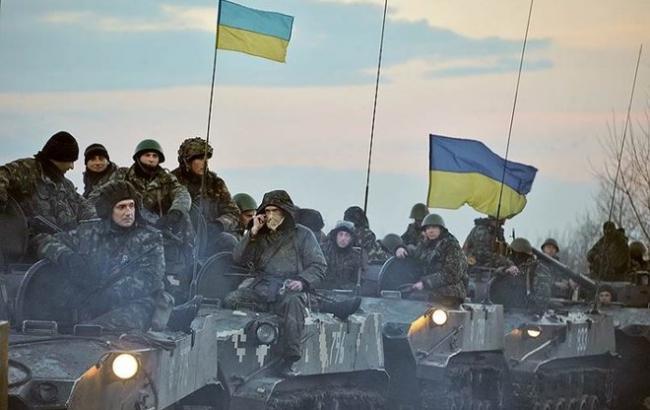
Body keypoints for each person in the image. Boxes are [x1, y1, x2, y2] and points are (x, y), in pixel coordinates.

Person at [36, 181, 172, 331]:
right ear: (108, 210)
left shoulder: (150, 238)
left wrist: (105, 297)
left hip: (134, 304)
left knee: (94, 331)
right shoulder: (90, 231)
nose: (128, 212)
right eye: (121, 207)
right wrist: (68, 258)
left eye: (131, 206)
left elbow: (149, 279)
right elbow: (44, 240)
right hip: (89, 302)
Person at [223, 190, 327, 377]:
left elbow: (319, 266)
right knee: (232, 299)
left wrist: (302, 281)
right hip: (262, 287)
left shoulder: (303, 235)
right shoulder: (259, 235)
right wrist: (252, 233)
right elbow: (238, 258)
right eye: (267, 211)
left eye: (275, 211)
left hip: (289, 287)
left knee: (293, 304)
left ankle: (289, 358)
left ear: (286, 212)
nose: (271, 215)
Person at [0, 131, 95, 256]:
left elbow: (85, 207)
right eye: (70, 161)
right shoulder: (27, 170)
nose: (72, 167)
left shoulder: (66, 185)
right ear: (58, 158)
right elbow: (2, 175)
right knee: (68, 257)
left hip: (64, 241)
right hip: (33, 243)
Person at [172, 137, 240, 255]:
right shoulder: (170, 182)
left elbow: (233, 213)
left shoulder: (215, 184)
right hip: (177, 239)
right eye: (199, 158)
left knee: (229, 241)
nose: (205, 162)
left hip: (208, 239)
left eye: (206, 158)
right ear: (186, 161)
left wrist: (218, 225)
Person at [395, 214, 468, 307]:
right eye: (428, 228)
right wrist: (401, 248)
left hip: (450, 292)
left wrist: (425, 283)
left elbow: (452, 273)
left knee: (418, 299)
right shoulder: (426, 244)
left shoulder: (451, 245)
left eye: (434, 227)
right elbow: (415, 254)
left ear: (441, 229)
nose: (431, 231)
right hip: (430, 289)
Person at [491, 238, 552, 312]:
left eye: (513, 253)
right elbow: (494, 275)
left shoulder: (537, 268)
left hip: (527, 312)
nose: (510, 256)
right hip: (508, 310)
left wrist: (531, 309)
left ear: (518, 253)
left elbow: (542, 298)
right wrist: (505, 270)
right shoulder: (513, 267)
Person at [321, 220, 365, 290]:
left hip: (346, 293)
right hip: (324, 291)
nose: (343, 238)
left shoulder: (356, 256)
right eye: (340, 234)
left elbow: (358, 281)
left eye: (347, 235)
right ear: (335, 236)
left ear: (351, 238)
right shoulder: (324, 251)